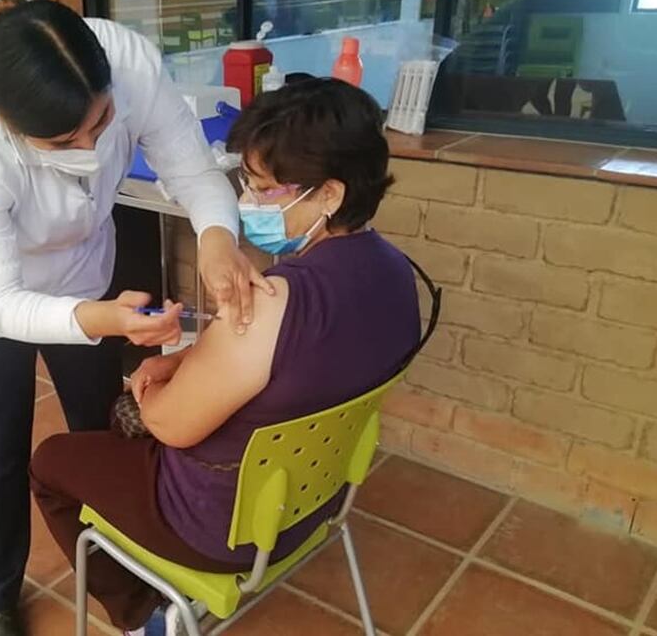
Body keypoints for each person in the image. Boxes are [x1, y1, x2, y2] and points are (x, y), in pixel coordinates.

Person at [0, 0, 268, 636]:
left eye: (100, 123)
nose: (91, 148)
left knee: (99, 427)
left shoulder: (127, 63)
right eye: (62, 140)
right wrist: (105, 321)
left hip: (80, 266)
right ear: (4, 120)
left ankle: (126, 572)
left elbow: (195, 173)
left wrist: (216, 237)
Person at [30, 78, 425, 635]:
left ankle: (144, 615)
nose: (247, 202)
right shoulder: (396, 274)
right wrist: (189, 360)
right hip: (315, 497)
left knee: (53, 462)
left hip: (224, 527)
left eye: (265, 189)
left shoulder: (273, 301)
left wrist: (149, 386)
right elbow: (288, 367)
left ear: (330, 193)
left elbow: (169, 425)